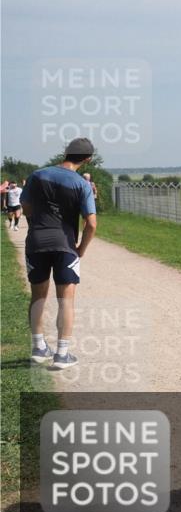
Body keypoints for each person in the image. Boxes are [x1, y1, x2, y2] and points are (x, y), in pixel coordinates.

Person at [20, 138, 98, 370]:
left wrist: (34, 223)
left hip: (36, 242)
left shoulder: (37, 175)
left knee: (38, 297)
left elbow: (25, 205)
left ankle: (38, 348)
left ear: (66, 152)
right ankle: (62, 354)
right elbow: (91, 224)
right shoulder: (81, 184)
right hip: (65, 244)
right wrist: (80, 250)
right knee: (66, 301)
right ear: (87, 159)